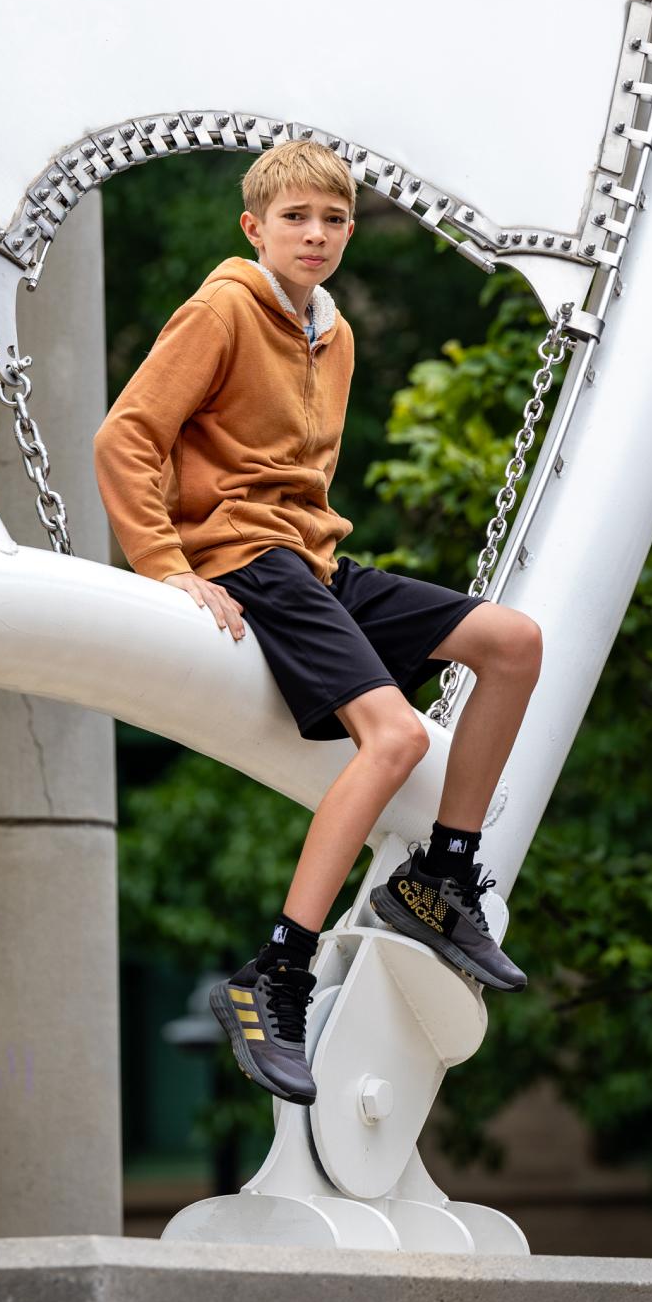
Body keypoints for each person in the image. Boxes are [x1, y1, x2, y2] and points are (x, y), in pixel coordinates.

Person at [93, 140, 543, 1106]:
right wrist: (170, 569)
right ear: (254, 228)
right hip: (246, 563)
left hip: (313, 564)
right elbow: (126, 437)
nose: (317, 234)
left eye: (334, 220)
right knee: (390, 737)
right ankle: (277, 973)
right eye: (296, 218)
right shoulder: (221, 309)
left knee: (512, 643)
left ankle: (441, 880)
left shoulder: (331, 334)